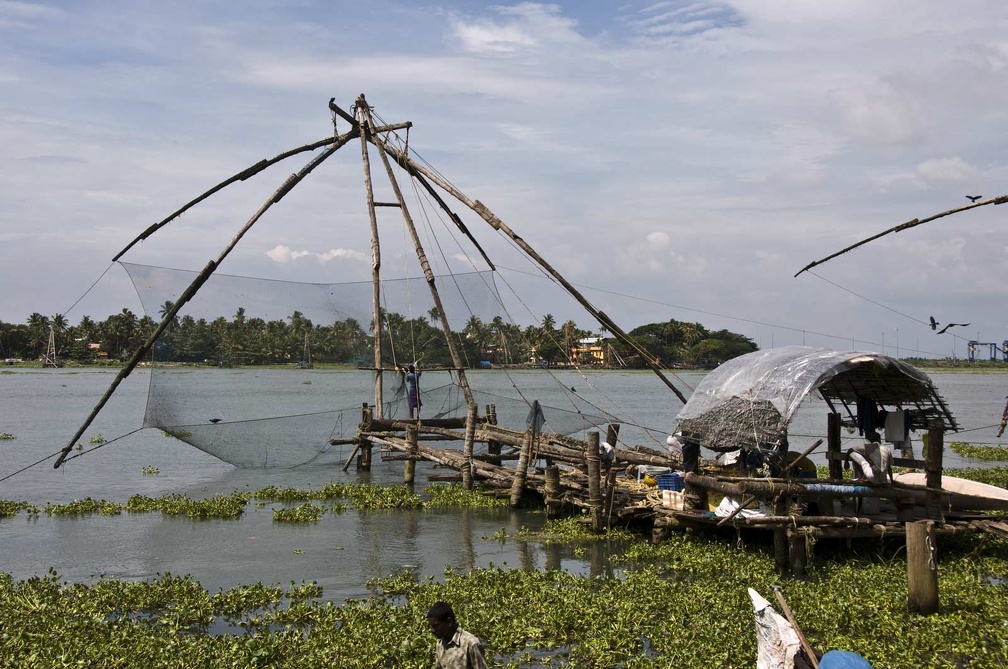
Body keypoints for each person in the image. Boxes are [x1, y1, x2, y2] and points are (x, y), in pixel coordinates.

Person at [427, 601, 487, 669]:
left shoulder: (471, 644)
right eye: (431, 626)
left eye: (436, 626)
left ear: (449, 622)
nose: (432, 630)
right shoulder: (440, 643)